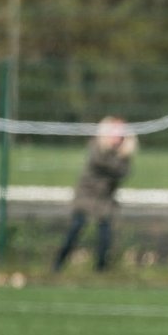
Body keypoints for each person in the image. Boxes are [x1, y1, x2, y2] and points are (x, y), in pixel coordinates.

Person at [52, 117, 137, 273]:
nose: (117, 138)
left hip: (105, 198)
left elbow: (123, 172)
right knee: (76, 227)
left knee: (105, 232)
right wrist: (117, 159)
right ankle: (58, 263)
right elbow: (102, 164)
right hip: (86, 194)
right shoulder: (97, 148)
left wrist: (119, 158)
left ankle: (101, 268)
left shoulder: (123, 155)